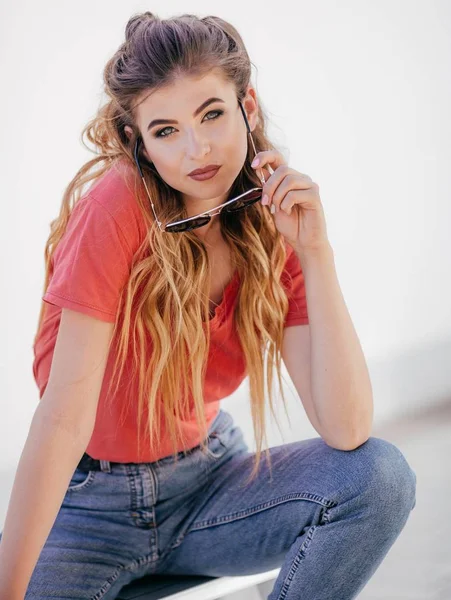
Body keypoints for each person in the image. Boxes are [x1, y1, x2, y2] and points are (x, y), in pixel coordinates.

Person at [0, 11, 416, 600]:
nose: (197, 150)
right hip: (90, 508)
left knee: (381, 477)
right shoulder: (116, 207)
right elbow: (63, 420)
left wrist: (315, 253)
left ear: (247, 105)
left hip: (208, 483)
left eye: (212, 114)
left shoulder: (275, 214)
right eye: (165, 130)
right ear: (137, 140)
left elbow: (346, 428)